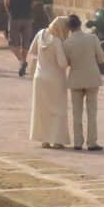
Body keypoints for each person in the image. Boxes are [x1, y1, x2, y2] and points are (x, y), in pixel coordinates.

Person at [27, 17, 72, 149]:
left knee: (42, 109)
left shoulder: (41, 33)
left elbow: (32, 51)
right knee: (58, 109)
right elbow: (62, 63)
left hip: (39, 77)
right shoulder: (57, 41)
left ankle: (44, 139)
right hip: (55, 79)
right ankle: (57, 139)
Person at [63, 14, 104, 151]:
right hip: (92, 78)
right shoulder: (92, 38)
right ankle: (92, 142)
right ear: (80, 24)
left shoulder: (67, 43)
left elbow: (66, 63)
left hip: (75, 78)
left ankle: (77, 142)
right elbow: (101, 59)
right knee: (92, 113)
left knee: (76, 113)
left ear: (69, 28)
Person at [5, 0, 38, 77]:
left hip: (15, 17)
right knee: (25, 43)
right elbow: (34, 3)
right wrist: (29, 10)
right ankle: (22, 63)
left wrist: (9, 11)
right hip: (28, 17)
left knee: (12, 44)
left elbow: (7, 1)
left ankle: (22, 62)